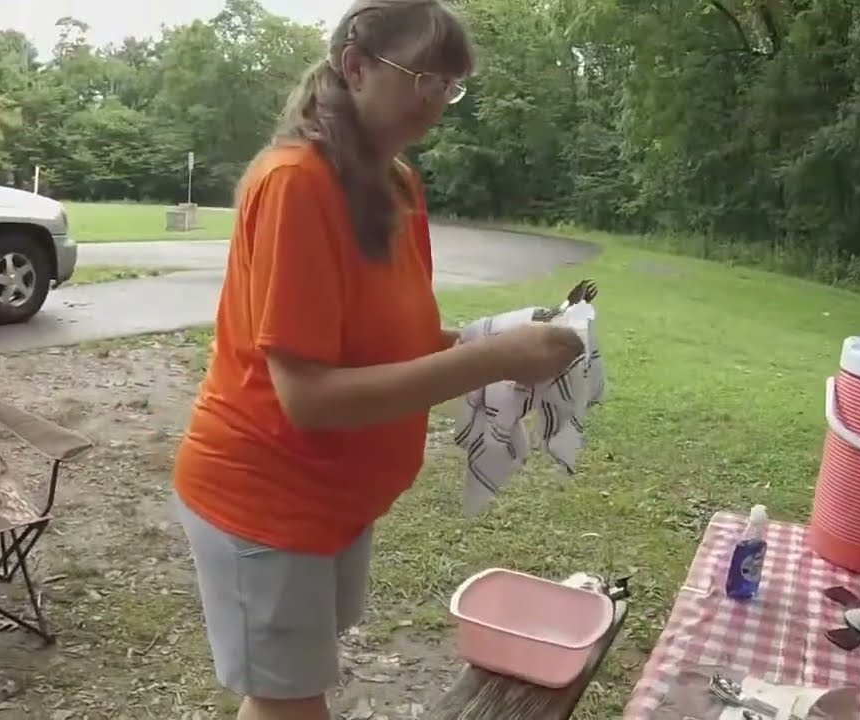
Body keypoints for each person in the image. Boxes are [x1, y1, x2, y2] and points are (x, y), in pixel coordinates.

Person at [171, 1, 586, 718]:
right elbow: (308, 396)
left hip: (340, 501)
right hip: (266, 497)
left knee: (281, 688)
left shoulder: (398, 183)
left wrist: (506, 337)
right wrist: (493, 359)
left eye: (450, 86)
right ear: (356, 68)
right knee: (290, 701)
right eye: (424, 78)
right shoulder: (295, 182)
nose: (437, 104)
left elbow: (402, 340)